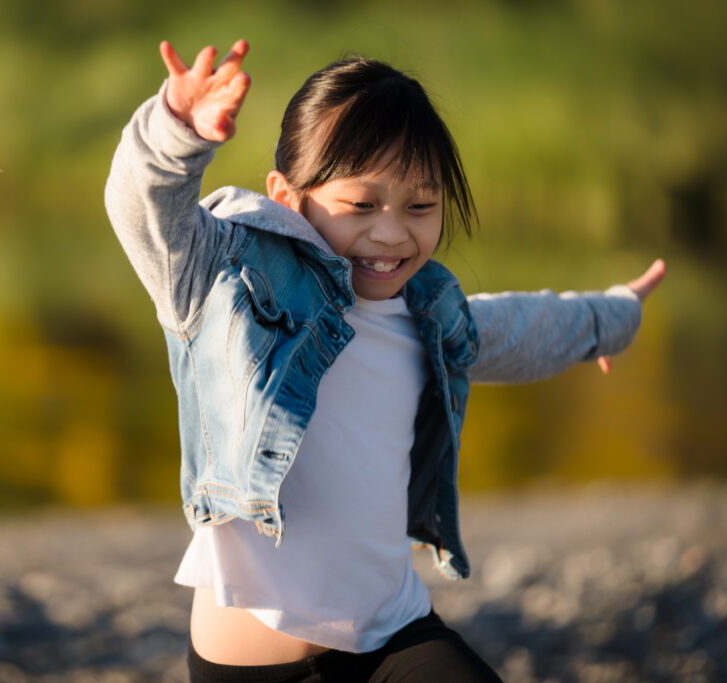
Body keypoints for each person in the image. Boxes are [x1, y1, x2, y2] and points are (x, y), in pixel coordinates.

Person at [104, 39, 665, 683]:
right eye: (361, 206)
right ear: (287, 197)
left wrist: (611, 320)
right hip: (252, 665)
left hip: (390, 633)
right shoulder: (225, 286)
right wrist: (175, 125)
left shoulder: (426, 316)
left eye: (420, 206)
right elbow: (142, 206)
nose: (394, 233)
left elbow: (520, 326)